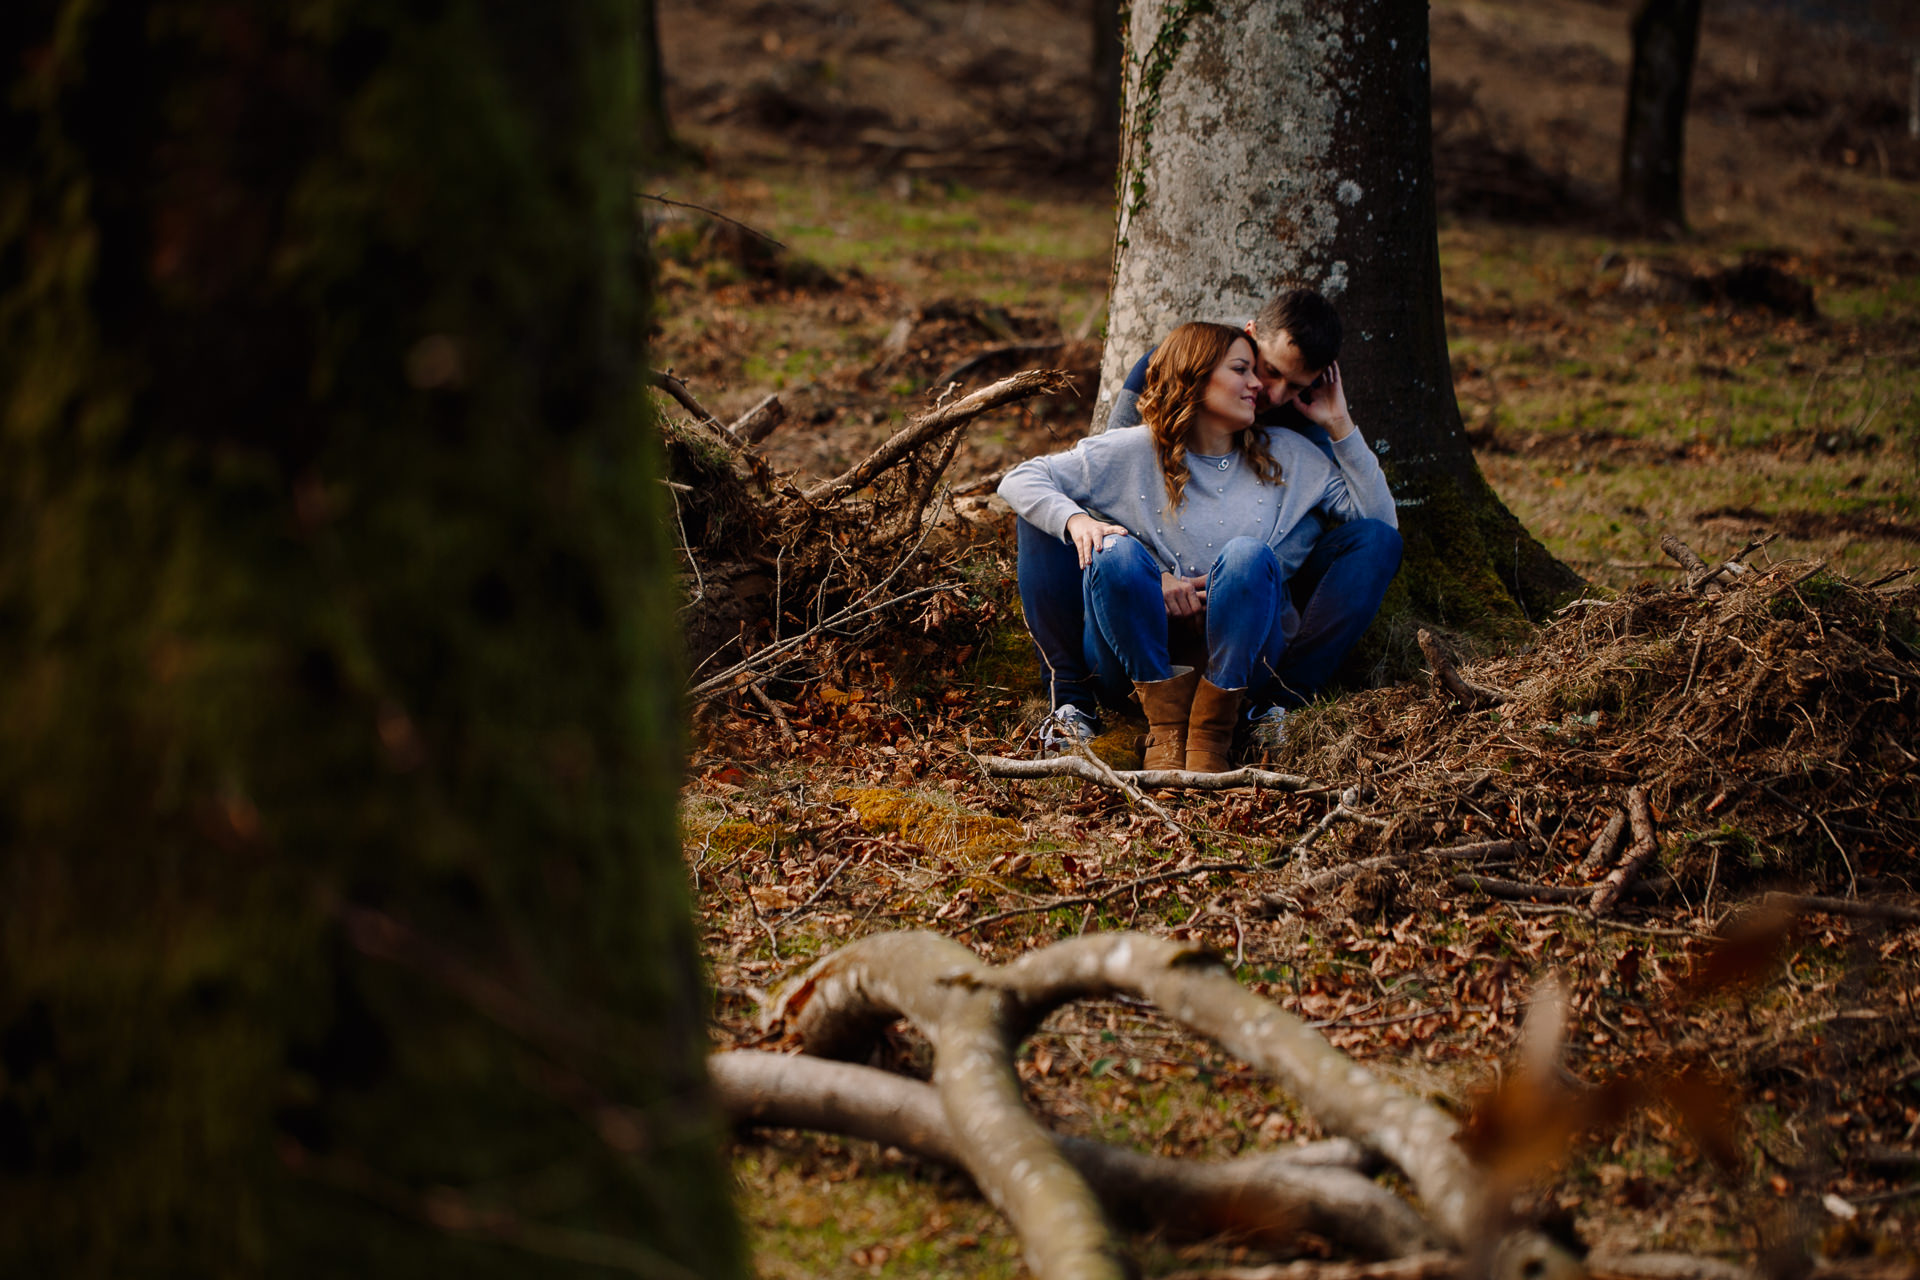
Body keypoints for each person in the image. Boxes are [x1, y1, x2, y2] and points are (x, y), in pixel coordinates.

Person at [998, 308, 1401, 771]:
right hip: (1132, 660)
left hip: (1246, 661)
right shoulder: (1132, 448)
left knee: (1250, 556)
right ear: (1196, 374)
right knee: (1087, 539)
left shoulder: (1290, 455)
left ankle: (1254, 715)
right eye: (1242, 370)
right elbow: (1022, 479)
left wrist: (1340, 424)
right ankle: (1084, 707)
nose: (1264, 389)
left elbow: (1380, 530)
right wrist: (1078, 523)